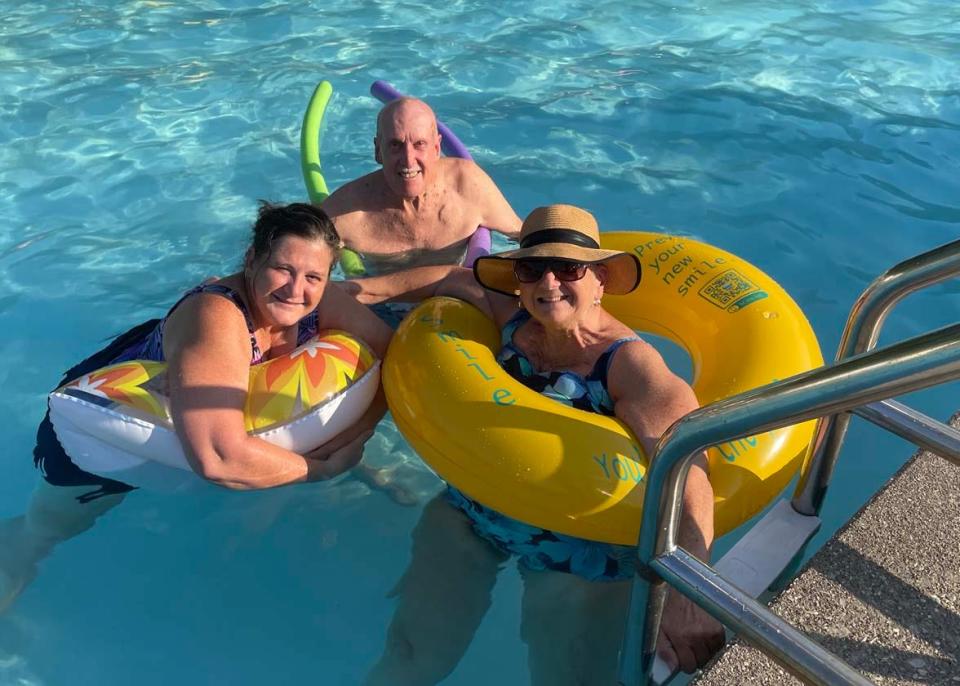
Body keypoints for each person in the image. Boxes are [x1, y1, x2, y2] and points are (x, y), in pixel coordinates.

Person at [358, 205, 725, 685]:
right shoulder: (511, 318)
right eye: (532, 268)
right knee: (410, 653)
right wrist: (352, 291)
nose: (549, 282)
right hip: (477, 511)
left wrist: (687, 588)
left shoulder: (627, 364)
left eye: (569, 268)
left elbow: (685, 461)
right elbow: (450, 277)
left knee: (565, 676)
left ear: (600, 280)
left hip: (581, 552)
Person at [0, 201, 393, 612]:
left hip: (193, 430)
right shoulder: (218, 319)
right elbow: (218, 456)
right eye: (283, 269)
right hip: (99, 435)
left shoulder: (318, 298)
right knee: (42, 537)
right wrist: (324, 467)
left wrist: (353, 438)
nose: (297, 289)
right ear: (252, 260)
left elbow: (388, 358)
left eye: (313, 275)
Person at [321, 97, 522, 319]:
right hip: (384, 311)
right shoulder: (347, 211)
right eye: (395, 145)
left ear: (437, 148)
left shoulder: (468, 186)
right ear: (378, 150)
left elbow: (528, 238)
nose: (408, 160)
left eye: (419, 144)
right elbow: (298, 264)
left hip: (460, 303)